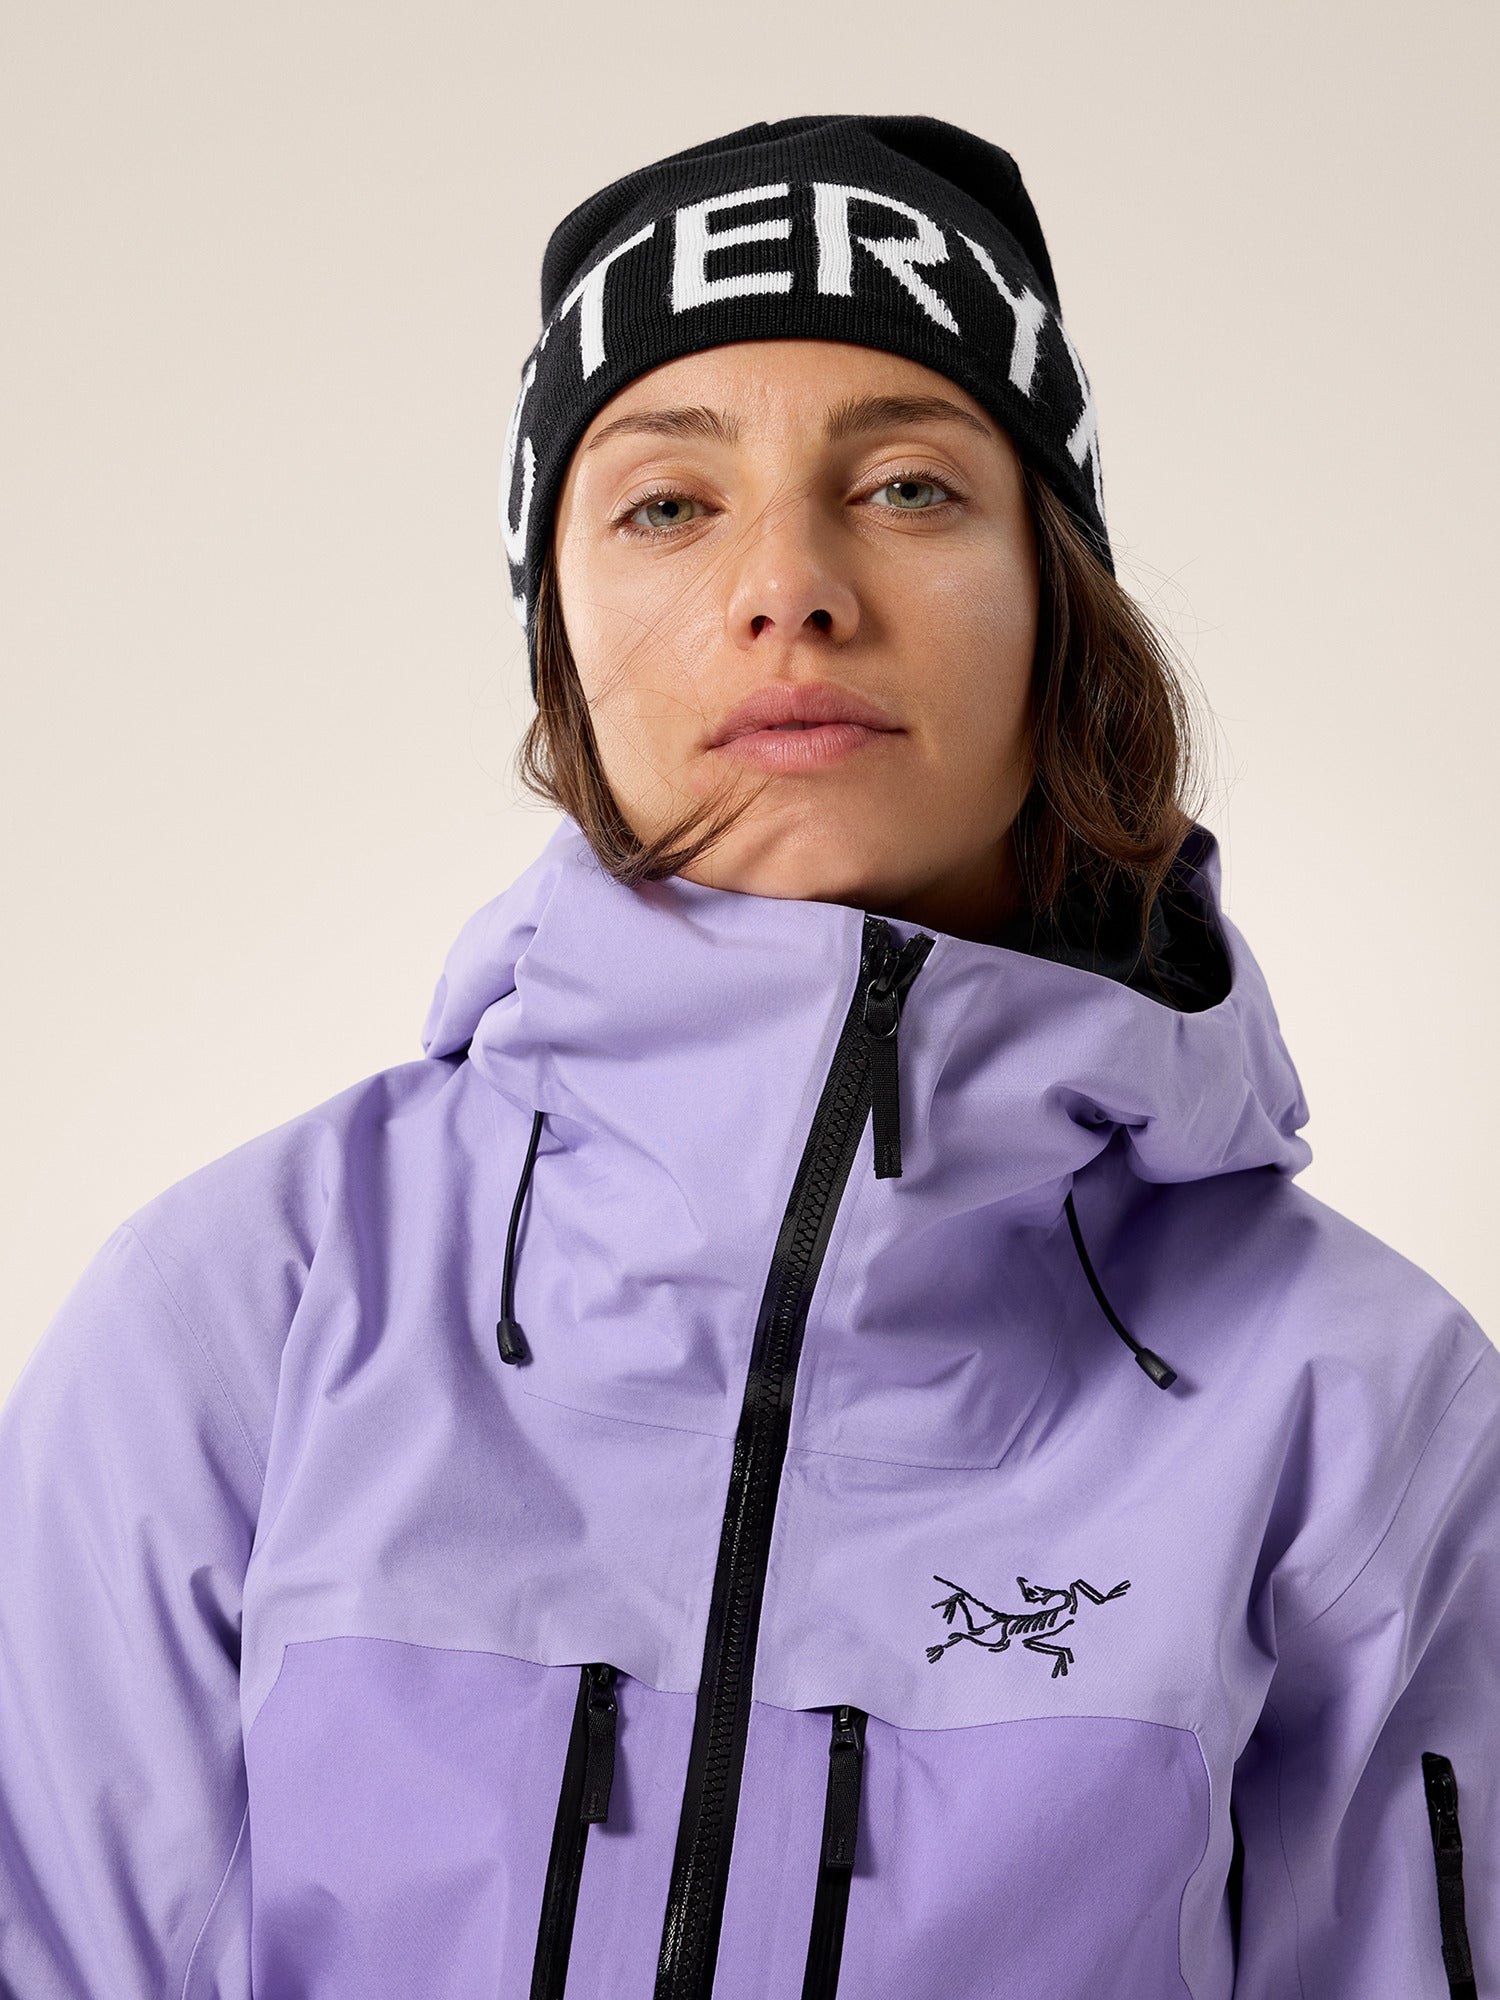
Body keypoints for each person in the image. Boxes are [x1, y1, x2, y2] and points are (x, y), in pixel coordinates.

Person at [0, 113, 1493, 2000]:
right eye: (666, 504)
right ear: (561, 635)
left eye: (910, 486)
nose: (790, 584)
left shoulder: (1358, 1409)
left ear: (1060, 608)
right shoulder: (248, 1319)